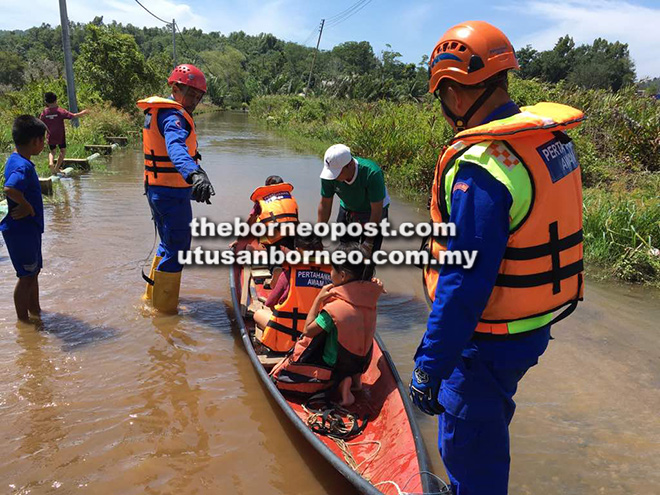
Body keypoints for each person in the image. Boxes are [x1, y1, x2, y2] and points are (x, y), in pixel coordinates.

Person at [409, 21, 585, 495]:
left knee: (467, 446)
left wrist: (430, 363)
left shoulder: (483, 168)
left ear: (456, 94)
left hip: (486, 339)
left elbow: (463, 284)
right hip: (535, 325)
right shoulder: (548, 142)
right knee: (489, 423)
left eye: (443, 96)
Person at [138, 64, 215, 314]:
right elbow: (175, 148)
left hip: (159, 189)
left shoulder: (161, 111)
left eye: (198, 97)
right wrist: (193, 174)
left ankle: (151, 298)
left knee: (168, 244)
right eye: (190, 94)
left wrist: (194, 162)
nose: (194, 101)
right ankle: (164, 312)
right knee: (178, 248)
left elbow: (176, 147)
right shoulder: (172, 116)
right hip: (169, 193)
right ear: (174, 88)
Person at [271, 243, 385, 406]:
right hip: (361, 363)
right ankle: (355, 380)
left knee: (314, 340)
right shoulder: (371, 298)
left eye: (332, 270)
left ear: (343, 276)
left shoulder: (334, 309)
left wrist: (318, 300)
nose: (330, 273)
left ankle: (341, 385)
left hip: (335, 366)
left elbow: (307, 330)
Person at [1, 115, 47, 323]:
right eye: (43, 139)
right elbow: (10, 188)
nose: (44, 144)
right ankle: (24, 324)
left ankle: (36, 312)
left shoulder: (17, 159)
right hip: (22, 230)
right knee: (26, 277)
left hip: (28, 229)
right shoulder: (23, 166)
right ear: (35, 140)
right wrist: (27, 206)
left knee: (33, 273)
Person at [317, 144, 390, 274]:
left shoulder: (371, 173)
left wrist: (368, 242)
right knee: (344, 255)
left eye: (337, 173)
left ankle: (364, 284)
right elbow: (325, 204)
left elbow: (376, 210)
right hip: (348, 209)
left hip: (374, 213)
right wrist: (317, 235)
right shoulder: (329, 176)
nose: (333, 177)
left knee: (368, 259)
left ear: (349, 165)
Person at [253, 233, 331, 353]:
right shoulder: (332, 272)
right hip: (318, 338)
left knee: (258, 313)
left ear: (297, 250)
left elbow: (269, 302)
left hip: (288, 337)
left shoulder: (291, 271)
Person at [230, 175, 299, 251]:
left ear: (267, 187)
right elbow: (296, 220)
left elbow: (250, 221)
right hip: (291, 235)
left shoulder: (262, 200)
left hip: (272, 237)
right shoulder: (290, 198)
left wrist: (239, 240)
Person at [39, 92, 89, 175]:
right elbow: (73, 116)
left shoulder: (45, 112)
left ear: (46, 102)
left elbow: (40, 122)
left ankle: (51, 163)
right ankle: (57, 168)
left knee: (52, 151)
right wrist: (83, 113)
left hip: (50, 135)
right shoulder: (60, 111)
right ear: (56, 100)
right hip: (60, 135)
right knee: (63, 151)